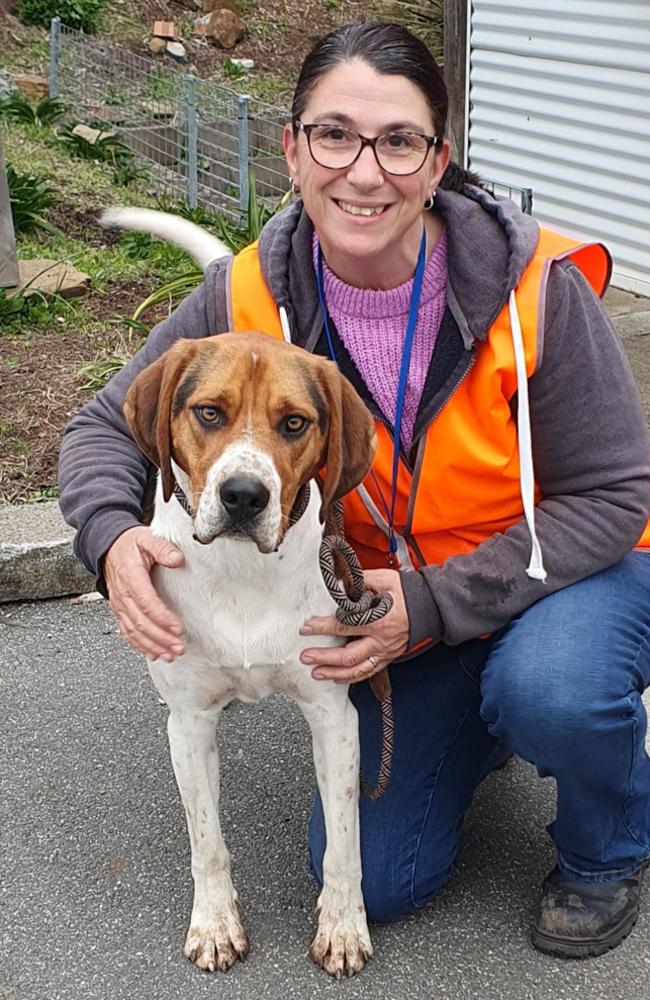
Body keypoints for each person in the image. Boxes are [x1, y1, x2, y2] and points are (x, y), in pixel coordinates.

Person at [59, 21, 650, 959]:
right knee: (382, 878)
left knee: (555, 689)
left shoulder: (541, 291)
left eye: (399, 141)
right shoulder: (243, 297)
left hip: (552, 583)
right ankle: (482, 718)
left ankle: (605, 846)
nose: (364, 172)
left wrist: (430, 600)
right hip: (395, 620)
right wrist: (109, 539)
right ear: (292, 149)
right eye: (334, 135)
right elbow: (102, 426)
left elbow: (617, 496)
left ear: (438, 159)